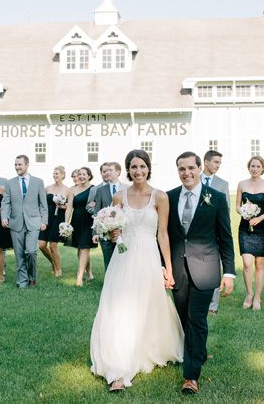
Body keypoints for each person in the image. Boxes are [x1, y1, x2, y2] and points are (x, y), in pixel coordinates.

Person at [90, 150, 183, 392]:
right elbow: (114, 226)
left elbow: (162, 234)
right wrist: (112, 233)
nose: (138, 171)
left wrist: (169, 268)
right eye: (133, 167)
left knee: (147, 304)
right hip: (124, 257)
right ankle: (118, 365)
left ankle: (146, 347)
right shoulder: (119, 196)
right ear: (128, 170)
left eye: (142, 166)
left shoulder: (160, 197)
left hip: (149, 256)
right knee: (118, 305)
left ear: (148, 168)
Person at [167, 151, 236, 394]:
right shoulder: (169, 196)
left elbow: (225, 237)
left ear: (199, 168)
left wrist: (229, 273)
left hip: (205, 269)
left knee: (197, 319)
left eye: (190, 168)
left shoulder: (215, 197)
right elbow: (162, 236)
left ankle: (191, 376)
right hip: (177, 270)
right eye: (181, 169)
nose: (186, 173)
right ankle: (199, 351)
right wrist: (163, 268)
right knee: (185, 318)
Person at [0, 155, 48, 288]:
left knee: (31, 251)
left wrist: (44, 221)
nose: (17, 167)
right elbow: (6, 202)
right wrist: (4, 217)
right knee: (19, 253)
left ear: (27, 165)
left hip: (33, 221)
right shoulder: (10, 183)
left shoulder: (38, 182)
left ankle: (32, 276)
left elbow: (43, 204)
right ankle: (22, 281)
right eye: (15, 165)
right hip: (16, 222)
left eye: (19, 164)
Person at [235, 155, 264, 310]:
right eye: (252, 166)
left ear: (262, 168)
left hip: (262, 229)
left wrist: (260, 218)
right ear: (248, 167)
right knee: (247, 263)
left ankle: (257, 297)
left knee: (259, 264)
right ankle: (249, 294)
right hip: (245, 228)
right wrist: (243, 212)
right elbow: (237, 205)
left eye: (258, 166)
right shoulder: (242, 184)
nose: (255, 169)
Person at [201, 150, 230, 315]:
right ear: (206, 162)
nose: (218, 166)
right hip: (195, 231)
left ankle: (212, 305)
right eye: (216, 162)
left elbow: (225, 209)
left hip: (214, 231)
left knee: (214, 267)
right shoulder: (193, 179)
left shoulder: (223, 184)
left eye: (219, 163)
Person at [90, 162, 128, 270]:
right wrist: (95, 233)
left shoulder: (127, 188)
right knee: (108, 260)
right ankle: (108, 284)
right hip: (105, 231)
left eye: (110, 170)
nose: (107, 172)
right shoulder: (101, 190)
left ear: (118, 172)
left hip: (123, 231)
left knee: (123, 260)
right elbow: (96, 212)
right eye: (105, 171)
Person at [65, 167, 96, 287]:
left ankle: (79, 276)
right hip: (76, 221)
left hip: (89, 221)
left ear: (89, 176)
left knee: (84, 248)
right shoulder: (72, 190)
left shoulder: (94, 189)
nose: (81, 176)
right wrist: (66, 223)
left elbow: (97, 204)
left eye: (84, 174)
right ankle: (89, 272)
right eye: (79, 174)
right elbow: (69, 208)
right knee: (80, 249)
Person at [37, 166, 69, 277]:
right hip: (47, 218)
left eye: (57, 174)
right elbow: (42, 204)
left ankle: (58, 269)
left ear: (63, 175)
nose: (55, 175)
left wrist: (62, 206)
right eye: (54, 173)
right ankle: (53, 263)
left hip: (58, 219)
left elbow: (69, 207)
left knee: (53, 245)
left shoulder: (67, 190)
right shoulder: (48, 188)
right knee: (41, 245)